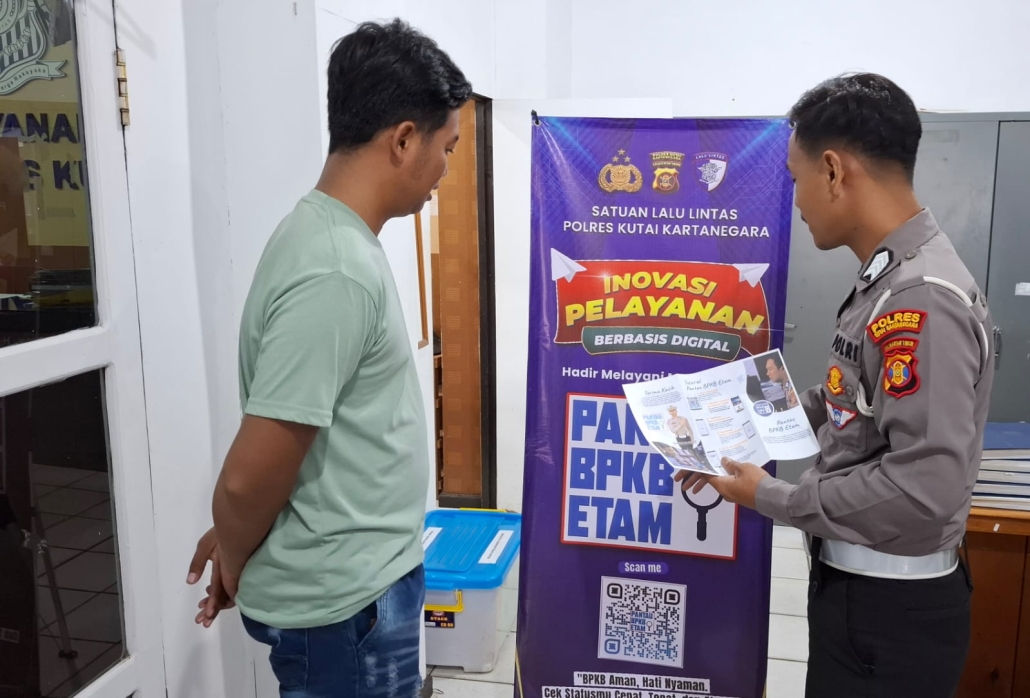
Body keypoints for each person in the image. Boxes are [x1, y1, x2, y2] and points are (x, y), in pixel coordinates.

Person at [677, 73, 993, 697]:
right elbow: (849, 400)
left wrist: (772, 496)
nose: (796, 200)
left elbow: (924, 489)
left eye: (795, 179)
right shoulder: (889, 277)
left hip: (890, 613)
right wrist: (732, 420)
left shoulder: (921, 297)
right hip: (861, 593)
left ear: (832, 170)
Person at [185, 19, 472, 698]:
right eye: (447, 148)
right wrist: (235, 547)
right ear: (404, 140)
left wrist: (238, 535)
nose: (445, 170)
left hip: (357, 587)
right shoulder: (335, 269)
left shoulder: (327, 235)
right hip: (347, 609)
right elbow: (247, 480)